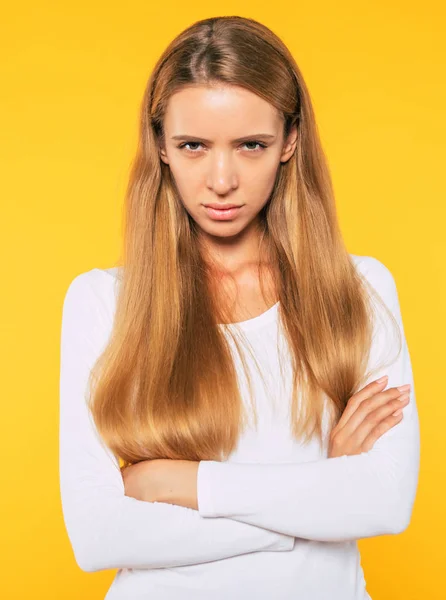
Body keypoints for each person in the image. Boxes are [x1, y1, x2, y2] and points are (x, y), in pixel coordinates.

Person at [59, 15, 420, 600]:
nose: (221, 180)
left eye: (251, 145)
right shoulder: (104, 303)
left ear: (290, 141)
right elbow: (98, 537)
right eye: (193, 146)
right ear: (160, 147)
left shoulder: (359, 290)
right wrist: (317, 497)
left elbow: (383, 503)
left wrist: (183, 482)